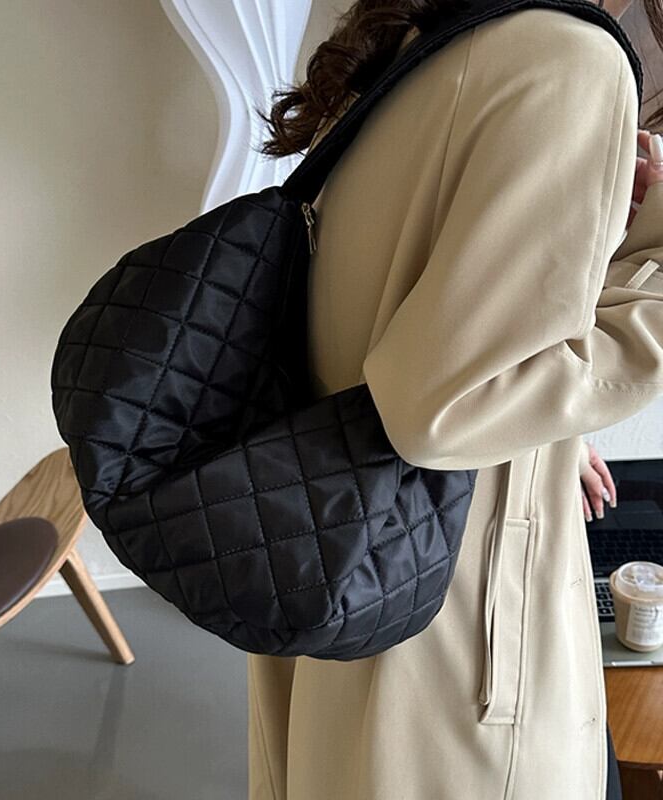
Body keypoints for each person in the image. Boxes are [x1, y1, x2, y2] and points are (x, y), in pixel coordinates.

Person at [248, 0, 663, 797]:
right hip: (447, 618)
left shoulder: (431, 33)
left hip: (344, 550)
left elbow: (411, 322)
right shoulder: (572, 56)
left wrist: (545, 425)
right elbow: (446, 408)